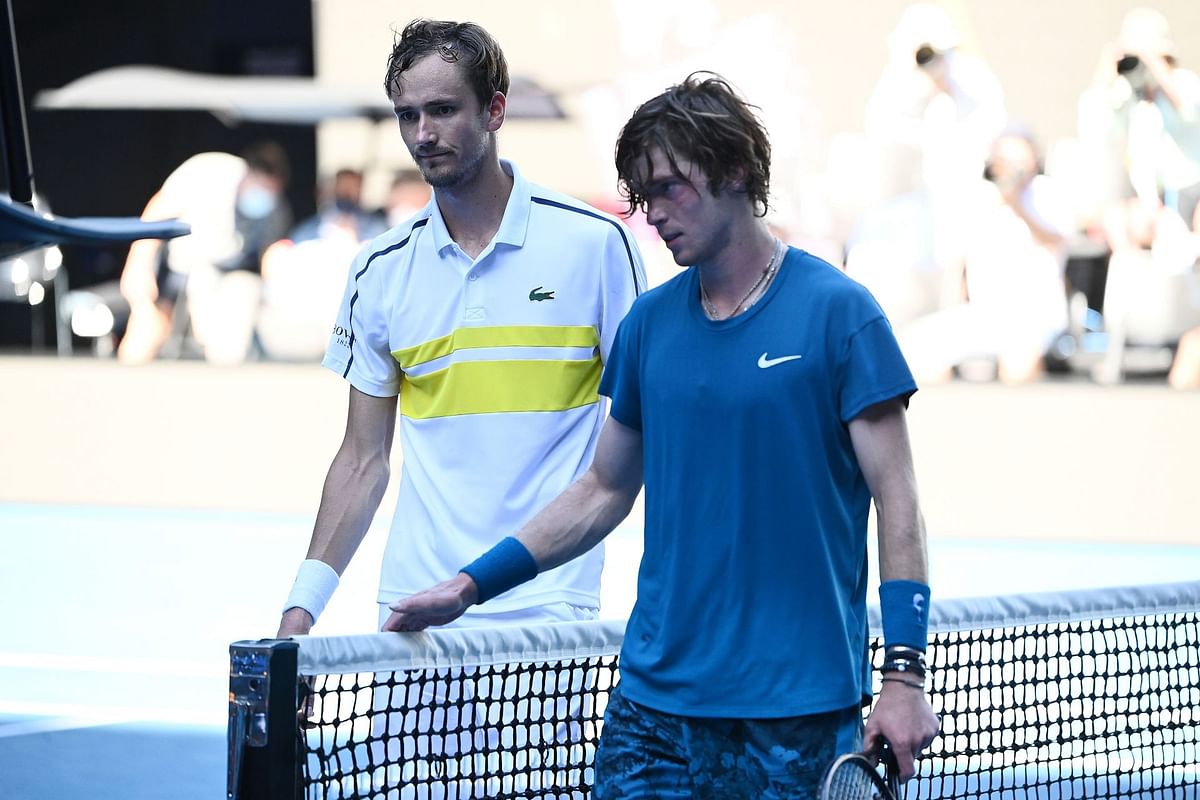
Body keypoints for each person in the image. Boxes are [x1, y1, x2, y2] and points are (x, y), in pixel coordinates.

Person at [388, 73, 940, 798]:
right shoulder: (649, 324)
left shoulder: (841, 313)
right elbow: (603, 489)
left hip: (793, 713)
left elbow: (897, 502)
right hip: (651, 710)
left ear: (736, 170)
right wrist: (470, 585)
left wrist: (903, 676)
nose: (655, 215)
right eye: (644, 197)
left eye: (672, 188)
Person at [276, 19, 646, 640]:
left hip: (548, 607)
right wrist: (298, 614)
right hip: (411, 612)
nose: (423, 135)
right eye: (408, 115)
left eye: (444, 110)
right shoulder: (378, 269)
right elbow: (363, 461)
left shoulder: (598, 246)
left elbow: (650, 431)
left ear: (495, 110)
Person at [899, 126, 1074, 384]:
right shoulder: (976, 198)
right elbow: (957, 260)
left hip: (1035, 316)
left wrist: (1017, 204)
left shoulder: (1047, 193)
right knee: (916, 350)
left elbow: (1055, 240)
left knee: (1018, 367)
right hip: (984, 314)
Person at [117, 142, 291, 365]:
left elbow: (269, 252)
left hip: (226, 281)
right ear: (248, 173)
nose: (264, 196)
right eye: (261, 187)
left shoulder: (275, 209)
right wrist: (138, 265)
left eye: (271, 191)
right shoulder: (210, 171)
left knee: (230, 333)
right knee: (148, 325)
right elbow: (157, 212)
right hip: (177, 266)